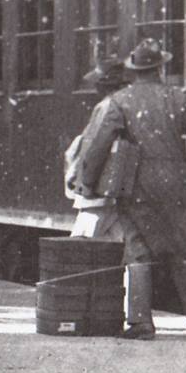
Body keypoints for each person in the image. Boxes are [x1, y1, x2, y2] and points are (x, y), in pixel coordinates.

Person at [67, 38, 186, 339]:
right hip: (177, 184)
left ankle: (141, 322)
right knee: (185, 250)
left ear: (134, 71)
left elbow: (98, 145)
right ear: (160, 68)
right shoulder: (178, 98)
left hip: (137, 184)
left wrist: (86, 183)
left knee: (138, 249)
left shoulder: (119, 102)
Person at [64, 58, 130, 238]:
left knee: (80, 248)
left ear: (104, 84)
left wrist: (84, 181)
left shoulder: (106, 107)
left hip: (98, 193)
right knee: (120, 248)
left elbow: (93, 148)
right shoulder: (129, 104)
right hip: (121, 190)